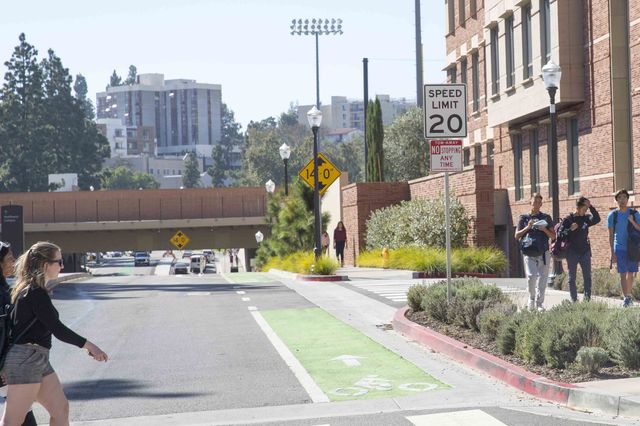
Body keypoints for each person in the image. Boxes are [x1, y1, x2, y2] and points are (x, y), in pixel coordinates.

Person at [1, 241, 108, 426]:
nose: (62, 266)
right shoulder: (34, 293)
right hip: (26, 360)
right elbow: (57, 328)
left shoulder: (34, 290)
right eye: (59, 261)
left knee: (60, 409)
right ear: (45, 265)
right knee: (12, 421)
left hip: (37, 358)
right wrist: (90, 346)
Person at [0, 242, 37, 426]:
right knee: (18, 415)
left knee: (20, 412)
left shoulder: (5, 290)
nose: (13, 262)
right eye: (9, 259)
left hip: (10, 364)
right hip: (5, 367)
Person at [515, 193, 556, 312]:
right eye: (534, 202)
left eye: (539, 202)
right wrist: (527, 227)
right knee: (531, 277)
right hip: (529, 253)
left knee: (543, 279)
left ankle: (539, 303)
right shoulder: (523, 218)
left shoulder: (546, 218)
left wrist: (544, 229)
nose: (536, 204)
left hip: (543, 253)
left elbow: (553, 236)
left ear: (541, 204)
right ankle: (531, 299)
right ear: (530, 203)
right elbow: (517, 236)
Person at [560, 197, 601, 302]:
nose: (586, 210)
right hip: (572, 252)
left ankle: (586, 301)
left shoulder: (586, 218)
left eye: (587, 208)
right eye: (585, 208)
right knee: (571, 278)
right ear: (578, 207)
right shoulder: (568, 219)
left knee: (587, 277)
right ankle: (574, 301)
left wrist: (591, 206)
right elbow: (560, 235)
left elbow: (597, 219)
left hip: (585, 252)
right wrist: (569, 229)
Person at [607, 189, 640, 307]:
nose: (622, 200)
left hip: (633, 247)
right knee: (622, 273)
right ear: (616, 200)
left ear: (627, 199)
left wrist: (632, 221)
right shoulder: (613, 215)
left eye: (624, 197)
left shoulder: (635, 214)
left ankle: (629, 295)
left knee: (631, 273)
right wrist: (612, 253)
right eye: (619, 198)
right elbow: (611, 235)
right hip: (619, 248)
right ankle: (626, 298)